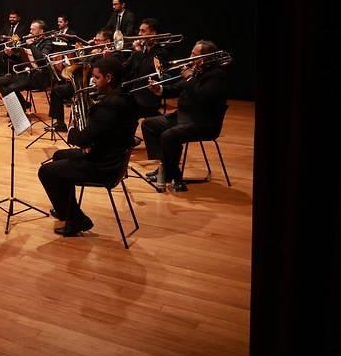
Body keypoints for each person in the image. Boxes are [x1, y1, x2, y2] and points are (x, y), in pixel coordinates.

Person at [37, 56, 138, 236]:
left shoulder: (110, 106)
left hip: (104, 165)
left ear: (109, 78)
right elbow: (103, 130)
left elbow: (83, 139)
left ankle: (77, 219)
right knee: (59, 156)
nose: (92, 81)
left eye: (97, 77)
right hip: (112, 157)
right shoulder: (126, 97)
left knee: (46, 172)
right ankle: (67, 209)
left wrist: (72, 129)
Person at [142, 40, 227, 192]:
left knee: (169, 136)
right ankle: (165, 167)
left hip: (203, 122)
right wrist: (160, 89)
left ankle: (174, 176)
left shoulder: (217, 75)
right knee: (149, 124)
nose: (189, 57)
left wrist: (189, 78)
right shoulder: (197, 70)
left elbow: (203, 97)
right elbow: (177, 89)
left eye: (194, 54)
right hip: (183, 117)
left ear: (204, 58)